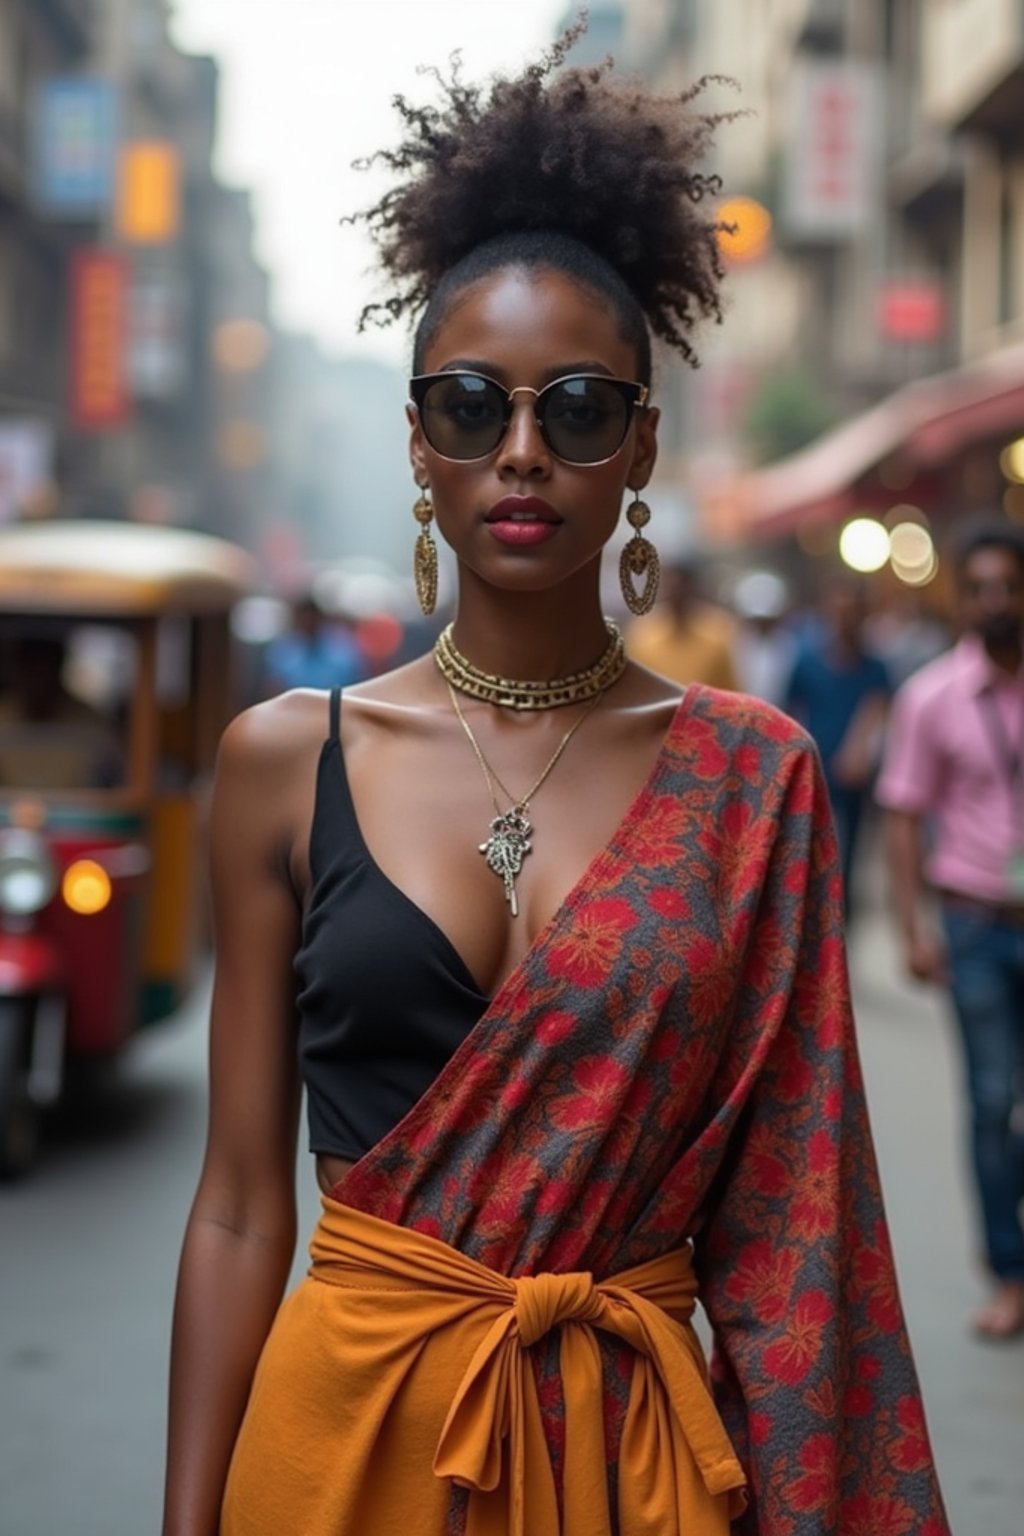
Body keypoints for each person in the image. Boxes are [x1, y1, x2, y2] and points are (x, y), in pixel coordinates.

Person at [163, 31, 948, 1536]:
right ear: (420, 442)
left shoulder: (749, 778)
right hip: (343, 1451)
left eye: (577, 409)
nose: (523, 452)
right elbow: (242, 1203)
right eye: (473, 406)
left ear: (639, 443)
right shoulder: (285, 762)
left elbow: (798, 1236)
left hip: (630, 1465)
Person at [877, 516, 1024, 1341]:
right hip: (973, 922)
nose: (995, 602)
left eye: (1008, 586)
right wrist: (912, 930)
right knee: (992, 1097)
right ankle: (1009, 1271)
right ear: (960, 599)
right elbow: (904, 816)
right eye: (980, 589)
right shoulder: (930, 696)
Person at [784, 575, 891, 918]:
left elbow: (882, 708)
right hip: (815, 767)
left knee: (854, 843)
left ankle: (842, 909)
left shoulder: (875, 667)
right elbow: (789, 710)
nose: (845, 618)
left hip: (855, 774)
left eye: (852, 611)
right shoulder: (807, 661)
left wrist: (861, 748)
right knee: (812, 838)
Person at [626, 556, 740, 690]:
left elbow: (730, 691)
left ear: (691, 587)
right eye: (668, 585)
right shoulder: (642, 634)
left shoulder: (718, 631)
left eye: (679, 585)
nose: (674, 591)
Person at [262, 591, 366, 694]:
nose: (307, 622)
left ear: (319, 618)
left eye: (311, 618)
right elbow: (275, 686)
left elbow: (353, 686)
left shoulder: (342, 649)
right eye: (303, 618)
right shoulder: (284, 650)